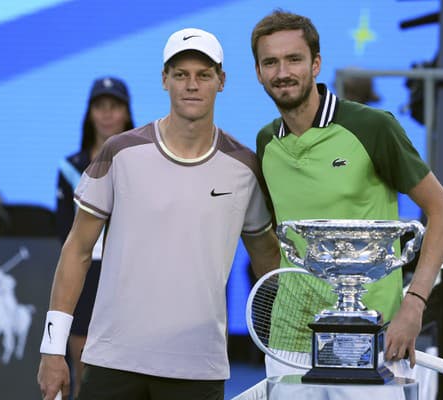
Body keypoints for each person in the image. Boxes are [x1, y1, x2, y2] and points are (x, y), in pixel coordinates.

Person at [37, 27, 281, 400]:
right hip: (112, 361)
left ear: (222, 81)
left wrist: (288, 346)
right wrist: (53, 349)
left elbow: (267, 259)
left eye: (203, 75)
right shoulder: (119, 153)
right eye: (181, 74)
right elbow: (77, 250)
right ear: (165, 79)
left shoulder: (244, 166)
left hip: (198, 367)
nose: (191, 85)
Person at [250, 9, 443, 382]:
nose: (282, 72)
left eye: (294, 59)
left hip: (371, 336)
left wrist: (414, 304)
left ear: (316, 64)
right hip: (288, 339)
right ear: (258, 72)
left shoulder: (373, 127)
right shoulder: (266, 142)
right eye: (271, 62)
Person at [56, 76, 134, 398]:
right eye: (99, 106)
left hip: (130, 273)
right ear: (90, 113)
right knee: (84, 366)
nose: (106, 114)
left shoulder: (143, 162)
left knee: (130, 366)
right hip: (87, 273)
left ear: (126, 113)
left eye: (114, 106)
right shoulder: (70, 167)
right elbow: (65, 232)